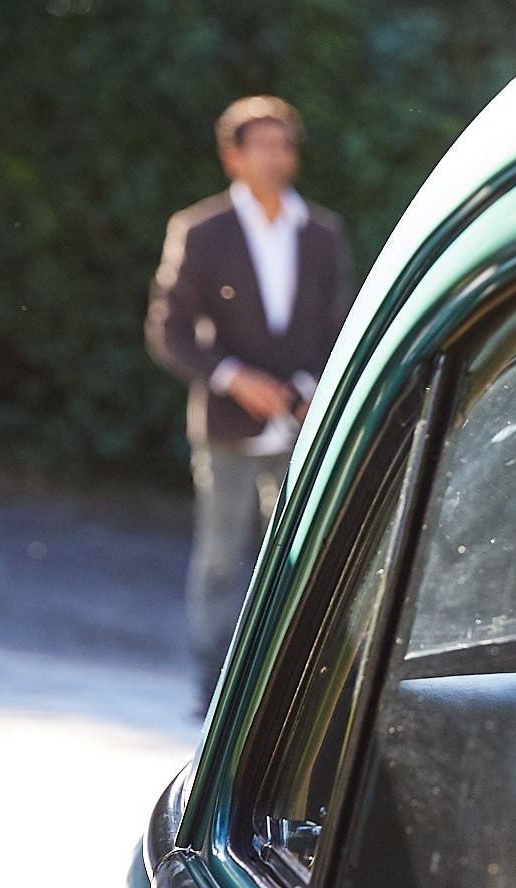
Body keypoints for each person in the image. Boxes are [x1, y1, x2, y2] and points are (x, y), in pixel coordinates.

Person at [147, 95, 352, 704]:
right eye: (260, 144)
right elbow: (169, 329)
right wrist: (233, 377)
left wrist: (309, 391)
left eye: (283, 144)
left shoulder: (321, 232)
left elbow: (339, 324)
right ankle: (212, 687)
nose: (275, 156)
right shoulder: (200, 230)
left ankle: (281, 691)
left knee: (297, 557)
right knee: (218, 559)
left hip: (302, 421)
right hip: (227, 422)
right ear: (232, 156)